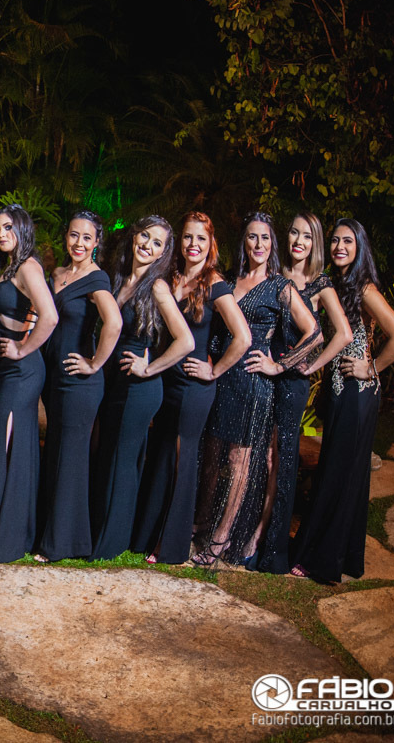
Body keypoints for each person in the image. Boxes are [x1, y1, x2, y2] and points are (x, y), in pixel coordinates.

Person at [193, 212, 320, 567]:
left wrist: (279, 365)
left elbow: (315, 332)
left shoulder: (280, 286)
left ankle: (221, 540)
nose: (259, 244)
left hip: (252, 383)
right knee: (213, 455)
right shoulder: (230, 281)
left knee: (238, 461)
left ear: (272, 244)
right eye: (252, 237)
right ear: (244, 242)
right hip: (222, 377)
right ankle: (203, 525)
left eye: (265, 238)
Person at [291, 219, 394, 582]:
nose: (341, 246)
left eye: (349, 241)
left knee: (338, 475)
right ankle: (344, 557)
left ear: (360, 247)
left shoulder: (364, 288)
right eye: (337, 240)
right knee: (344, 475)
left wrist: (370, 368)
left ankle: (322, 561)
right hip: (343, 393)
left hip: (357, 392)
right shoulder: (338, 284)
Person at [131, 212, 250, 564]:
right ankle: (146, 536)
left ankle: (170, 545)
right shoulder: (171, 277)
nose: (192, 244)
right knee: (163, 454)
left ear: (210, 243)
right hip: (166, 380)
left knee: (183, 460)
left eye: (200, 238)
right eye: (186, 237)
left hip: (195, 388)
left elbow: (242, 338)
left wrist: (214, 371)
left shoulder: (215, 283)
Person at [89, 216, 194, 560]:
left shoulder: (157, 286)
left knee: (122, 462)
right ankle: (105, 534)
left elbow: (185, 341)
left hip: (140, 389)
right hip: (115, 385)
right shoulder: (121, 280)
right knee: (111, 457)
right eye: (145, 236)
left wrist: (149, 367)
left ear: (164, 252)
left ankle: (108, 545)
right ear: (135, 236)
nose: (147, 245)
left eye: (157, 243)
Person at [254, 212, 351, 573]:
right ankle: (253, 531)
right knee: (263, 458)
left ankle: (273, 545)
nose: (299, 240)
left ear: (315, 244)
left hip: (291, 381)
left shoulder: (320, 283)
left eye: (307, 236)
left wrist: (308, 365)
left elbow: (341, 333)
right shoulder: (275, 273)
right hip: (263, 375)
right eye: (294, 232)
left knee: (284, 460)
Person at [34, 211, 121, 562]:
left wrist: (94, 362)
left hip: (79, 382)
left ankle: (58, 546)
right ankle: (60, 536)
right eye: (74, 235)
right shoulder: (56, 275)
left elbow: (113, 323)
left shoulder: (97, 279)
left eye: (87, 238)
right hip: (53, 378)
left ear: (97, 242)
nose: (79, 243)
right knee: (56, 452)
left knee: (69, 458)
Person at [0, 204, 57, 562]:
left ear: (23, 229)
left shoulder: (28, 266)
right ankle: (7, 533)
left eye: (8, 227)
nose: (1, 234)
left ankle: (5, 539)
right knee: (9, 444)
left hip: (23, 371)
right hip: (8, 370)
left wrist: (23, 348)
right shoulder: (10, 268)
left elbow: (49, 316)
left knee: (7, 443)